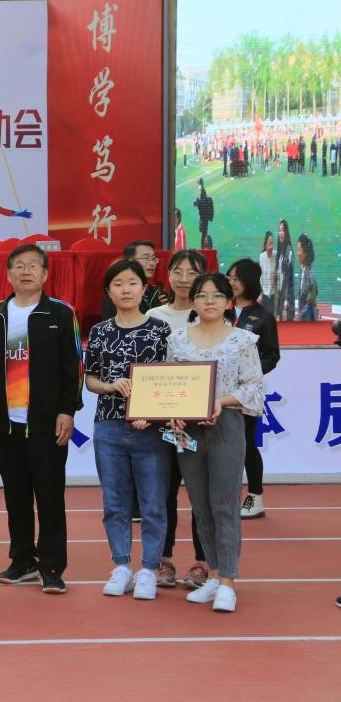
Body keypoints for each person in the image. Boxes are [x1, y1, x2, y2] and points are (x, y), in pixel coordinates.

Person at [0, 244, 83, 594]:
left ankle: (52, 566)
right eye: (19, 266)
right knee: (16, 496)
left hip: (45, 424)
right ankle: (22, 559)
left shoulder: (60, 313)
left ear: (45, 274)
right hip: (5, 425)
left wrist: (68, 409)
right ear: (9, 274)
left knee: (50, 497)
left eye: (33, 266)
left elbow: (73, 366)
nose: (26, 272)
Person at [167, 272, 265, 612]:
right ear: (193, 301)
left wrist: (220, 402)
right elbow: (168, 384)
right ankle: (212, 574)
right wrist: (172, 413)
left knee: (224, 505)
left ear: (228, 302)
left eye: (217, 295)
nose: (209, 301)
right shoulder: (178, 340)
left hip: (227, 427)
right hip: (187, 432)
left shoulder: (242, 340)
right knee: (200, 505)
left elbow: (254, 387)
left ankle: (228, 582)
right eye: (202, 295)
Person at [85, 260, 172, 600]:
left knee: (153, 503)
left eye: (132, 283)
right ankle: (121, 565)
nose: (126, 289)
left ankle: (149, 569)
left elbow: (171, 379)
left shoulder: (161, 330)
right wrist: (110, 386)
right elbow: (91, 379)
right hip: (108, 426)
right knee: (115, 502)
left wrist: (152, 412)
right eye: (118, 283)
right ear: (109, 291)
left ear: (143, 289)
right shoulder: (100, 331)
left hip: (151, 431)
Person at [147, 249, 210, 588]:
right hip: (163, 423)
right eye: (177, 271)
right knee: (163, 493)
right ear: (167, 275)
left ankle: (202, 562)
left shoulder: (210, 314)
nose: (184, 279)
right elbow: (147, 368)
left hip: (200, 422)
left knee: (201, 494)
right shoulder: (153, 316)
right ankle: (164, 559)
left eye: (192, 272)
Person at [228, 258, 280, 522]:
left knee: (247, 443)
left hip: (247, 393)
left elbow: (272, 355)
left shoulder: (263, 317)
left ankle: (255, 496)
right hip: (218, 392)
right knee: (223, 444)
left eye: (235, 279)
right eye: (229, 278)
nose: (231, 283)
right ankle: (226, 496)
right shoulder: (220, 311)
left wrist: (250, 375)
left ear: (248, 281)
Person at [100, 240, 167, 321]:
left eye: (153, 258)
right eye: (146, 258)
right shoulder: (118, 295)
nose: (152, 263)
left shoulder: (155, 292)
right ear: (130, 260)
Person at [274, 219, 295, 320]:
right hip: (279, 298)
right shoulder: (280, 251)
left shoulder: (289, 252)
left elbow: (288, 279)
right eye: (279, 230)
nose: (281, 233)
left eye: (283, 230)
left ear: (287, 233)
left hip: (286, 302)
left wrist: (286, 301)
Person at [296, 234, 317, 322]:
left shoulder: (309, 274)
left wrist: (299, 316)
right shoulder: (303, 271)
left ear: (305, 253)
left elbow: (310, 302)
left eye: (299, 250)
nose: (297, 253)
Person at [258, 231, 276, 312]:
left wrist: (276, 273)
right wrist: (260, 294)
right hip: (265, 293)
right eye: (269, 244)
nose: (271, 247)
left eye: (272, 243)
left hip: (273, 293)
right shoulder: (262, 257)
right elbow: (260, 277)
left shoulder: (276, 255)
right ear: (265, 245)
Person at [193, 180, 213, 249]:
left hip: (204, 219)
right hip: (204, 218)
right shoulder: (204, 196)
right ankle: (203, 247)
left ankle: (203, 248)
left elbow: (200, 204)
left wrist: (198, 203)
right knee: (203, 234)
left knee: (203, 235)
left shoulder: (203, 198)